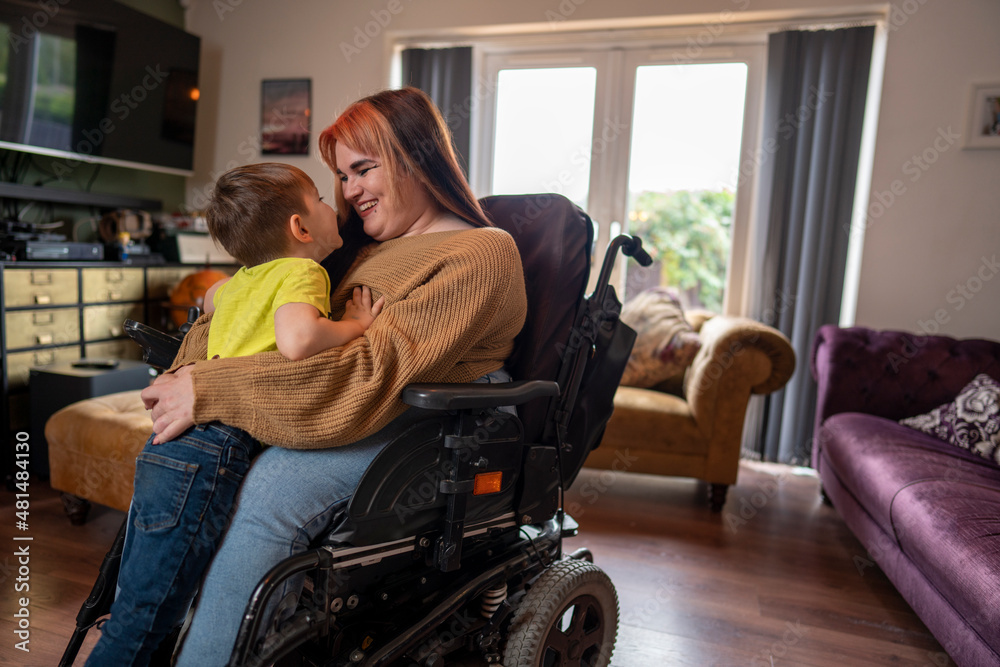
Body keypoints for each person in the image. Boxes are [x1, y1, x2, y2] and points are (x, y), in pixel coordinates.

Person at [130, 87, 527, 666]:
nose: (350, 191)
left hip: (433, 417)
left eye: (364, 169)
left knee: (271, 490)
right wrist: (188, 374)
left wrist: (211, 389)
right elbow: (264, 323)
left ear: (415, 158)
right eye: (341, 176)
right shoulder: (360, 251)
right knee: (192, 462)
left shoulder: (481, 252)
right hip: (344, 400)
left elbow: (367, 372)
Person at [84, 163, 384, 666]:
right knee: (152, 613)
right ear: (301, 228)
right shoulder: (304, 272)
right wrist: (353, 324)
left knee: (139, 596)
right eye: (321, 198)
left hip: (170, 444)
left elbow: (208, 297)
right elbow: (297, 340)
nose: (338, 204)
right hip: (215, 445)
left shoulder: (240, 281)